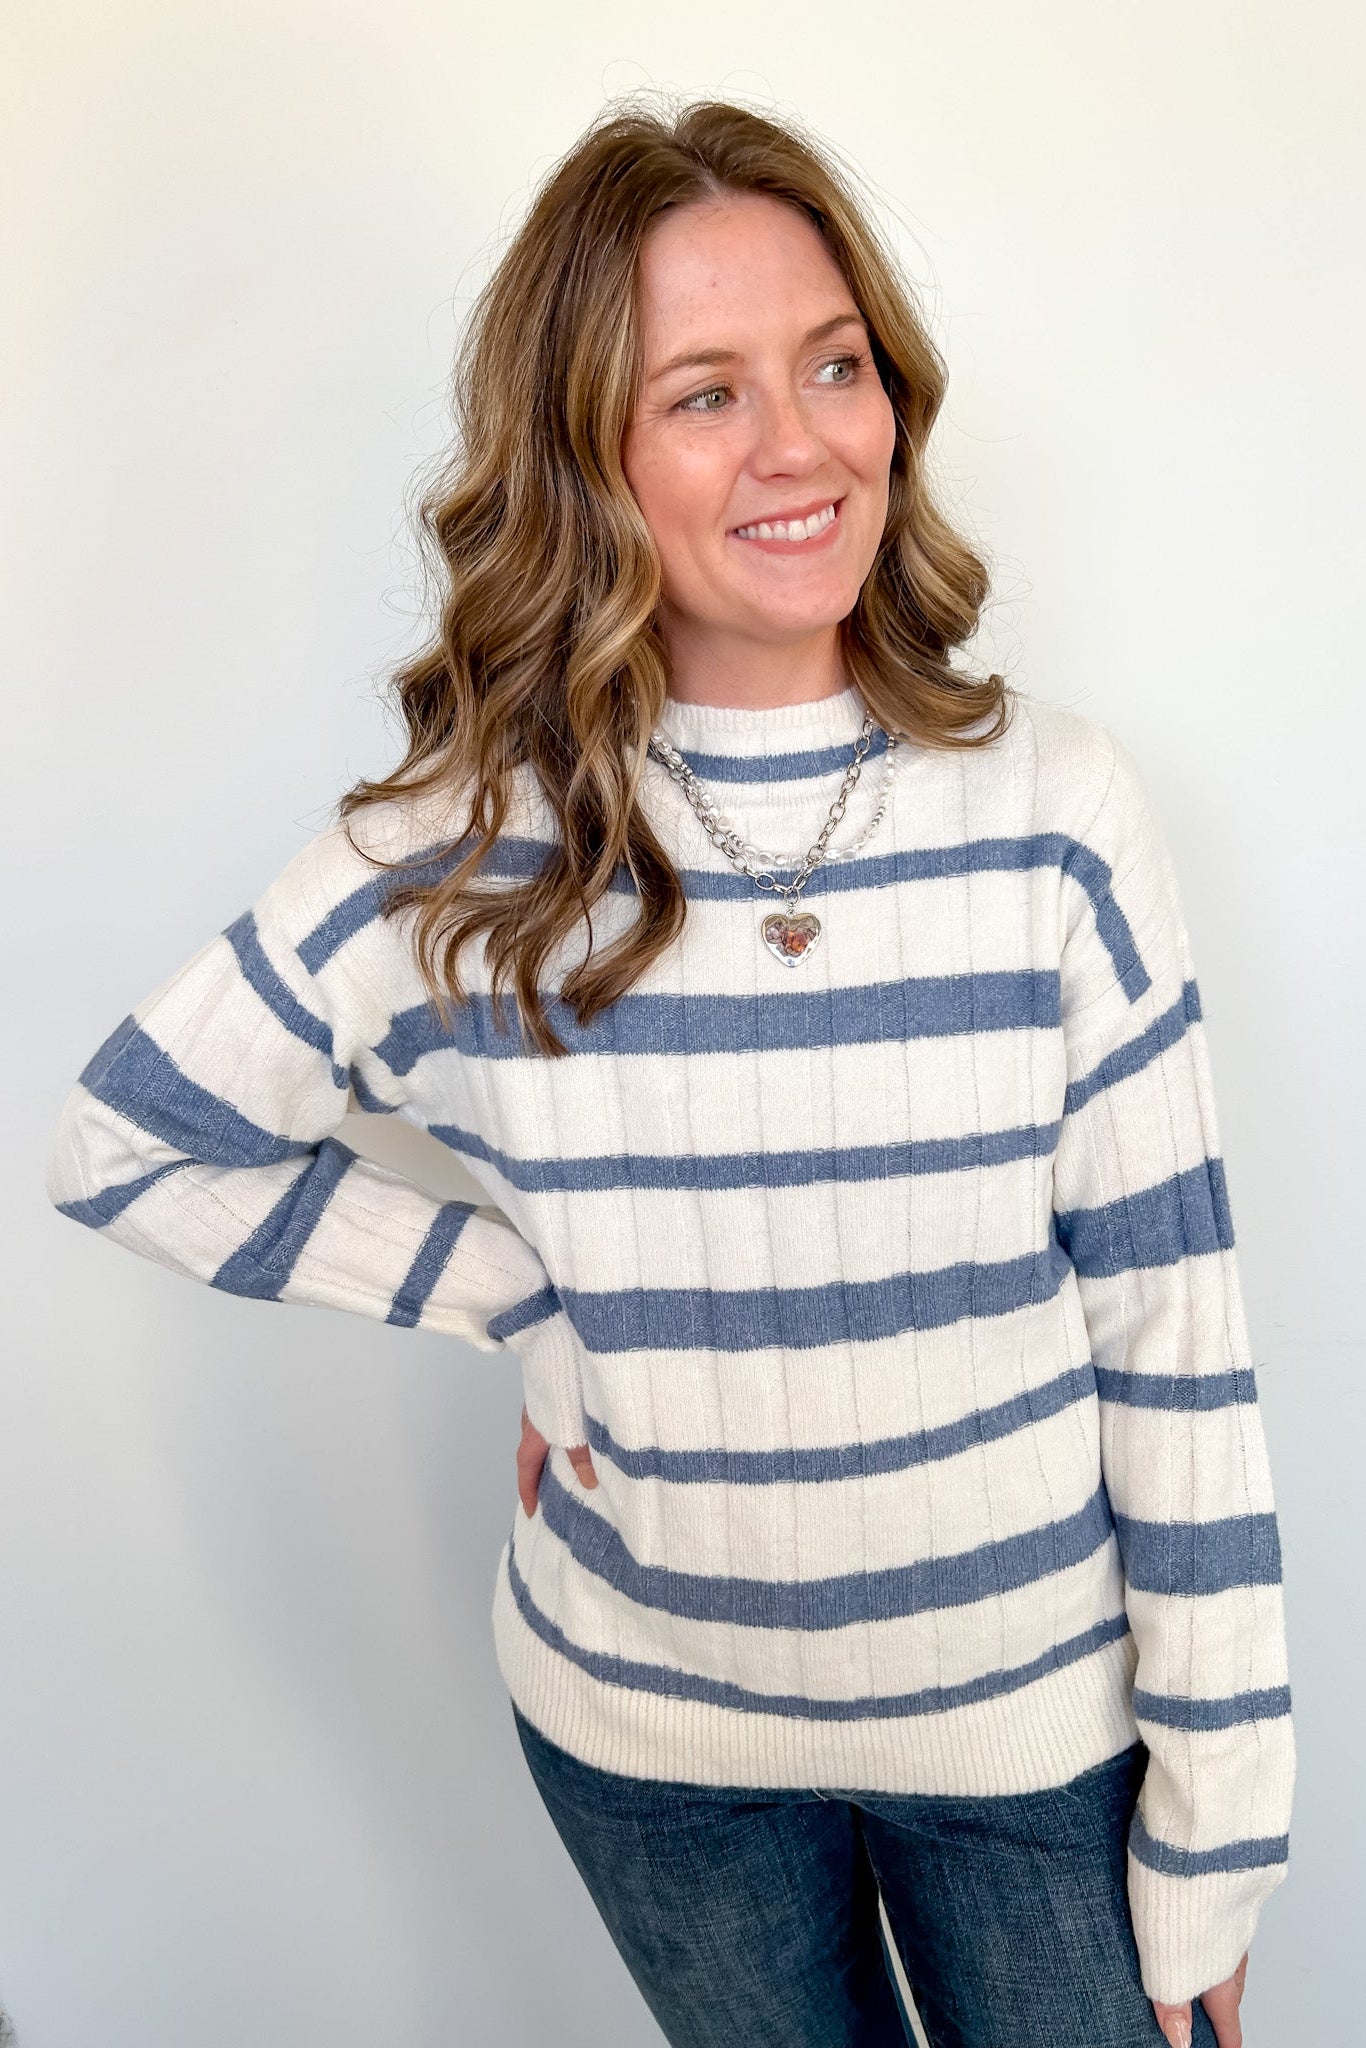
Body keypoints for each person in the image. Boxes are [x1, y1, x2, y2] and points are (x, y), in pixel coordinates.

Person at [47, 96, 1294, 2048]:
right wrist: (519, 1290)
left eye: (831, 364)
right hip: (650, 1749)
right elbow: (127, 1141)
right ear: (587, 458)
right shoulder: (466, 846)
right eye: (704, 394)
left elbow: (1173, 1326)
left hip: (1029, 1740)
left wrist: (1219, 1818)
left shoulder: (1053, 809)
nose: (799, 443)